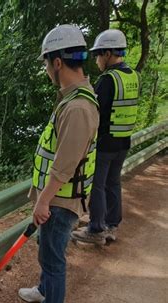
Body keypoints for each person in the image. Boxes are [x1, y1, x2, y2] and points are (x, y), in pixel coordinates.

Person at [17, 24, 99, 303]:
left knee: (53, 255)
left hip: (60, 198)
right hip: (58, 195)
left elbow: (66, 163)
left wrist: (43, 198)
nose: (46, 69)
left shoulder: (78, 106)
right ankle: (44, 289)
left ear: (58, 62)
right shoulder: (72, 97)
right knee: (46, 249)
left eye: (46, 62)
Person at [72, 29, 141, 245]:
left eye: (99, 54)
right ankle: (111, 225)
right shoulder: (133, 76)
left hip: (105, 143)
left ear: (109, 53)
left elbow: (94, 112)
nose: (97, 59)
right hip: (124, 140)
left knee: (97, 185)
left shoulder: (108, 80)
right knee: (113, 183)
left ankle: (95, 229)